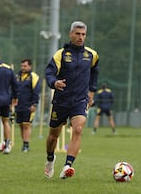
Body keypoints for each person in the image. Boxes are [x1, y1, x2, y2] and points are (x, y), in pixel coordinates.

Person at [44, 21, 99, 179]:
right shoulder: (60, 54)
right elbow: (49, 73)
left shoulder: (91, 55)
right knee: (53, 135)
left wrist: (92, 91)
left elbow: (95, 71)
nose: (80, 37)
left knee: (78, 129)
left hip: (80, 100)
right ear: (70, 34)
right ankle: (50, 159)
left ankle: (67, 166)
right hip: (61, 100)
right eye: (77, 34)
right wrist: (54, 82)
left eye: (83, 34)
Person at [15, 59, 41, 152]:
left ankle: (26, 145)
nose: (23, 68)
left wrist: (34, 104)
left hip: (28, 105)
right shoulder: (17, 76)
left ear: (30, 66)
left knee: (27, 125)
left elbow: (36, 91)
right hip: (18, 105)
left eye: (25, 66)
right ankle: (24, 143)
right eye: (21, 66)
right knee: (21, 125)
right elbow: (13, 90)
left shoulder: (34, 77)